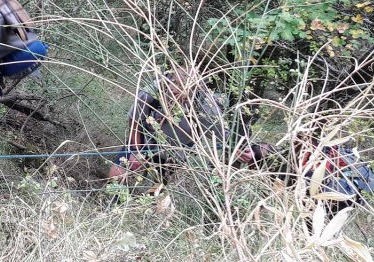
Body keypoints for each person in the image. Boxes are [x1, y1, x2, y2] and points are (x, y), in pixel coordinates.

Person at [109, 66, 260, 184]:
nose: (175, 91)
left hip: (178, 147)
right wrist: (136, 150)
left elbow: (222, 135)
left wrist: (239, 149)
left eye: (181, 90)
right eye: (172, 86)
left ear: (193, 90)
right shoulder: (151, 92)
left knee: (159, 188)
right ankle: (112, 202)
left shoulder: (205, 107)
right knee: (118, 175)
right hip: (146, 136)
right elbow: (134, 121)